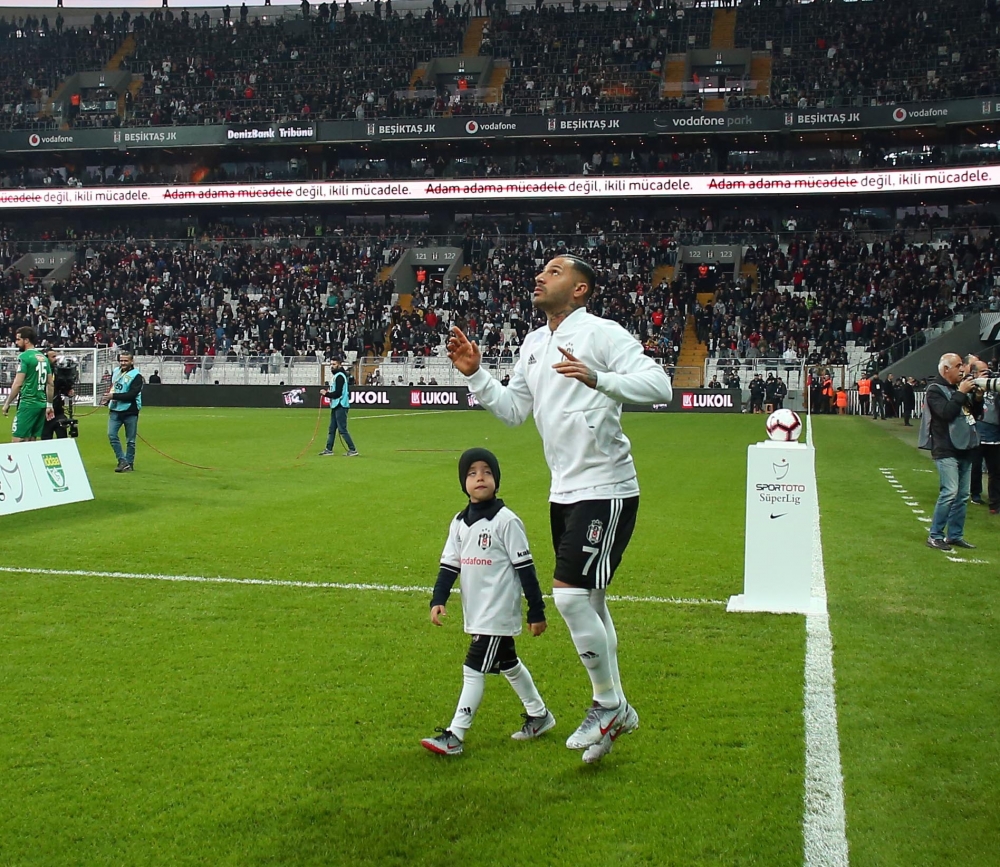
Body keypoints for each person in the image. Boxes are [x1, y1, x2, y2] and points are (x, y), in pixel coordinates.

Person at [446, 254, 673, 764]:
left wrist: (600, 379)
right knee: (590, 601)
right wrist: (478, 374)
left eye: (554, 270)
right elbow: (511, 412)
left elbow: (660, 385)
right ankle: (619, 711)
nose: (540, 275)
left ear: (579, 289)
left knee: (569, 597)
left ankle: (608, 704)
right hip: (564, 492)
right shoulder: (532, 343)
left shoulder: (602, 333)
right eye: (541, 269)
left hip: (607, 486)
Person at [421, 448, 552, 756]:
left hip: (498, 612)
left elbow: (526, 569)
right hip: (476, 610)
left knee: (473, 668)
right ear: (463, 483)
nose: (480, 477)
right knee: (508, 664)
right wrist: (438, 598)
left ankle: (456, 734)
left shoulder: (506, 521)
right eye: (471, 473)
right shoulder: (459, 522)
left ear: (497, 480)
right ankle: (539, 715)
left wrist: (537, 609)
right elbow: (449, 565)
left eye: (487, 472)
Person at [925, 353, 978, 551]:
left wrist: (977, 398)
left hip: (965, 446)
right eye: (958, 366)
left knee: (962, 495)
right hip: (945, 447)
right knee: (950, 492)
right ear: (946, 369)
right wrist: (961, 393)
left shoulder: (958, 388)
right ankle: (935, 535)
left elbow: (973, 414)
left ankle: (954, 535)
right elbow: (946, 413)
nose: (962, 370)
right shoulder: (934, 390)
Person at [2, 326, 54, 441]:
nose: (16, 342)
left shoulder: (24, 357)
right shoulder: (43, 358)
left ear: (26, 340)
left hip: (28, 403)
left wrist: (7, 403)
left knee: (17, 439)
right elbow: (50, 384)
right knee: (31, 440)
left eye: (18, 339)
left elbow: (18, 384)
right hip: (41, 404)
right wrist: (49, 405)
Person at [101, 351, 144, 473]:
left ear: (132, 361)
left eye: (126, 361)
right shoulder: (115, 372)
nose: (123, 363)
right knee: (111, 435)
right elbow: (113, 387)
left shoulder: (137, 376)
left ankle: (129, 463)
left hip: (130, 411)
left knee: (130, 440)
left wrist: (112, 396)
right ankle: (122, 460)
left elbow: (131, 395)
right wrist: (107, 399)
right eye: (121, 360)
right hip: (115, 409)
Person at [318, 358, 358, 456]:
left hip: (340, 405)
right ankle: (329, 449)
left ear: (340, 365)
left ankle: (353, 450)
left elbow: (338, 393)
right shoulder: (337, 376)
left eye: (334, 364)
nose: (332, 366)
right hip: (336, 405)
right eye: (331, 364)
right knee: (332, 428)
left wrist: (326, 394)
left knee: (342, 429)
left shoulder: (340, 377)